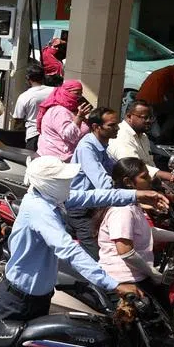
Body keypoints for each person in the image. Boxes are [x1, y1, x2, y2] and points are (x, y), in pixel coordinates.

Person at [0, 156, 167, 321]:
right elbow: (69, 250)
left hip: (40, 296)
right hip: (20, 300)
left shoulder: (53, 198)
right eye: (63, 180)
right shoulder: (39, 209)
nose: (69, 183)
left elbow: (94, 196)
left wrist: (136, 195)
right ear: (49, 183)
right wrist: (114, 284)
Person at [98, 158, 174, 287]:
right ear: (128, 182)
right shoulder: (122, 211)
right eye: (144, 177)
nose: (150, 179)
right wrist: (153, 273)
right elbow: (126, 252)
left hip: (138, 275)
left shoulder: (132, 204)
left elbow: (147, 231)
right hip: (125, 281)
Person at [67, 108, 122, 258]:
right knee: (98, 257)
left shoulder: (102, 146)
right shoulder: (87, 148)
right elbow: (103, 183)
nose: (116, 128)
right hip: (82, 209)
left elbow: (116, 169)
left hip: (95, 206)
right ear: (96, 127)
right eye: (111, 125)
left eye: (116, 124)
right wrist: (132, 196)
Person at [36, 79, 91, 162]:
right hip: (55, 161)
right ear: (65, 92)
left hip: (71, 159)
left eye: (81, 94)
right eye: (76, 94)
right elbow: (69, 136)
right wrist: (79, 117)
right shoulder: (59, 111)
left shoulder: (72, 110)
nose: (79, 97)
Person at [12, 66, 54, 151]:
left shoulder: (24, 96)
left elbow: (18, 121)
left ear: (28, 78)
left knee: (32, 162)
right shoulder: (54, 91)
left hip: (33, 135)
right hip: (52, 134)